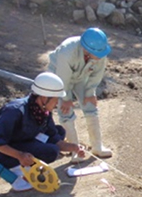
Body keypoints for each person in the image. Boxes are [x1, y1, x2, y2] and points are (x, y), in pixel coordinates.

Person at [0, 72, 85, 192]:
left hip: (23, 140)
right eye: (55, 99)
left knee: (59, 132)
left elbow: (53, 137)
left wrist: (74, 147)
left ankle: (27, 164)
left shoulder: (43, 112)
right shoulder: (15, 110)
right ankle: (16, 172)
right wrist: (20, 155)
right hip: (2, 153)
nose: (57, 104)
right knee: (51, 151)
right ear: (44, 98)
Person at [48, 27, 113, 161]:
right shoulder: (67, 52)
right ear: (86, 50)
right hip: (59, 78)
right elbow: (63, 79)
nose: (100, 57)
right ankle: (75, 150)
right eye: (97, 54)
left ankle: (97, 146)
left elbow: (96, 74)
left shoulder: (100, 53)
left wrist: (90, 92)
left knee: (90, 106)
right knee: (65, 110)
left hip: (80, 77)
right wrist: (66, 98)